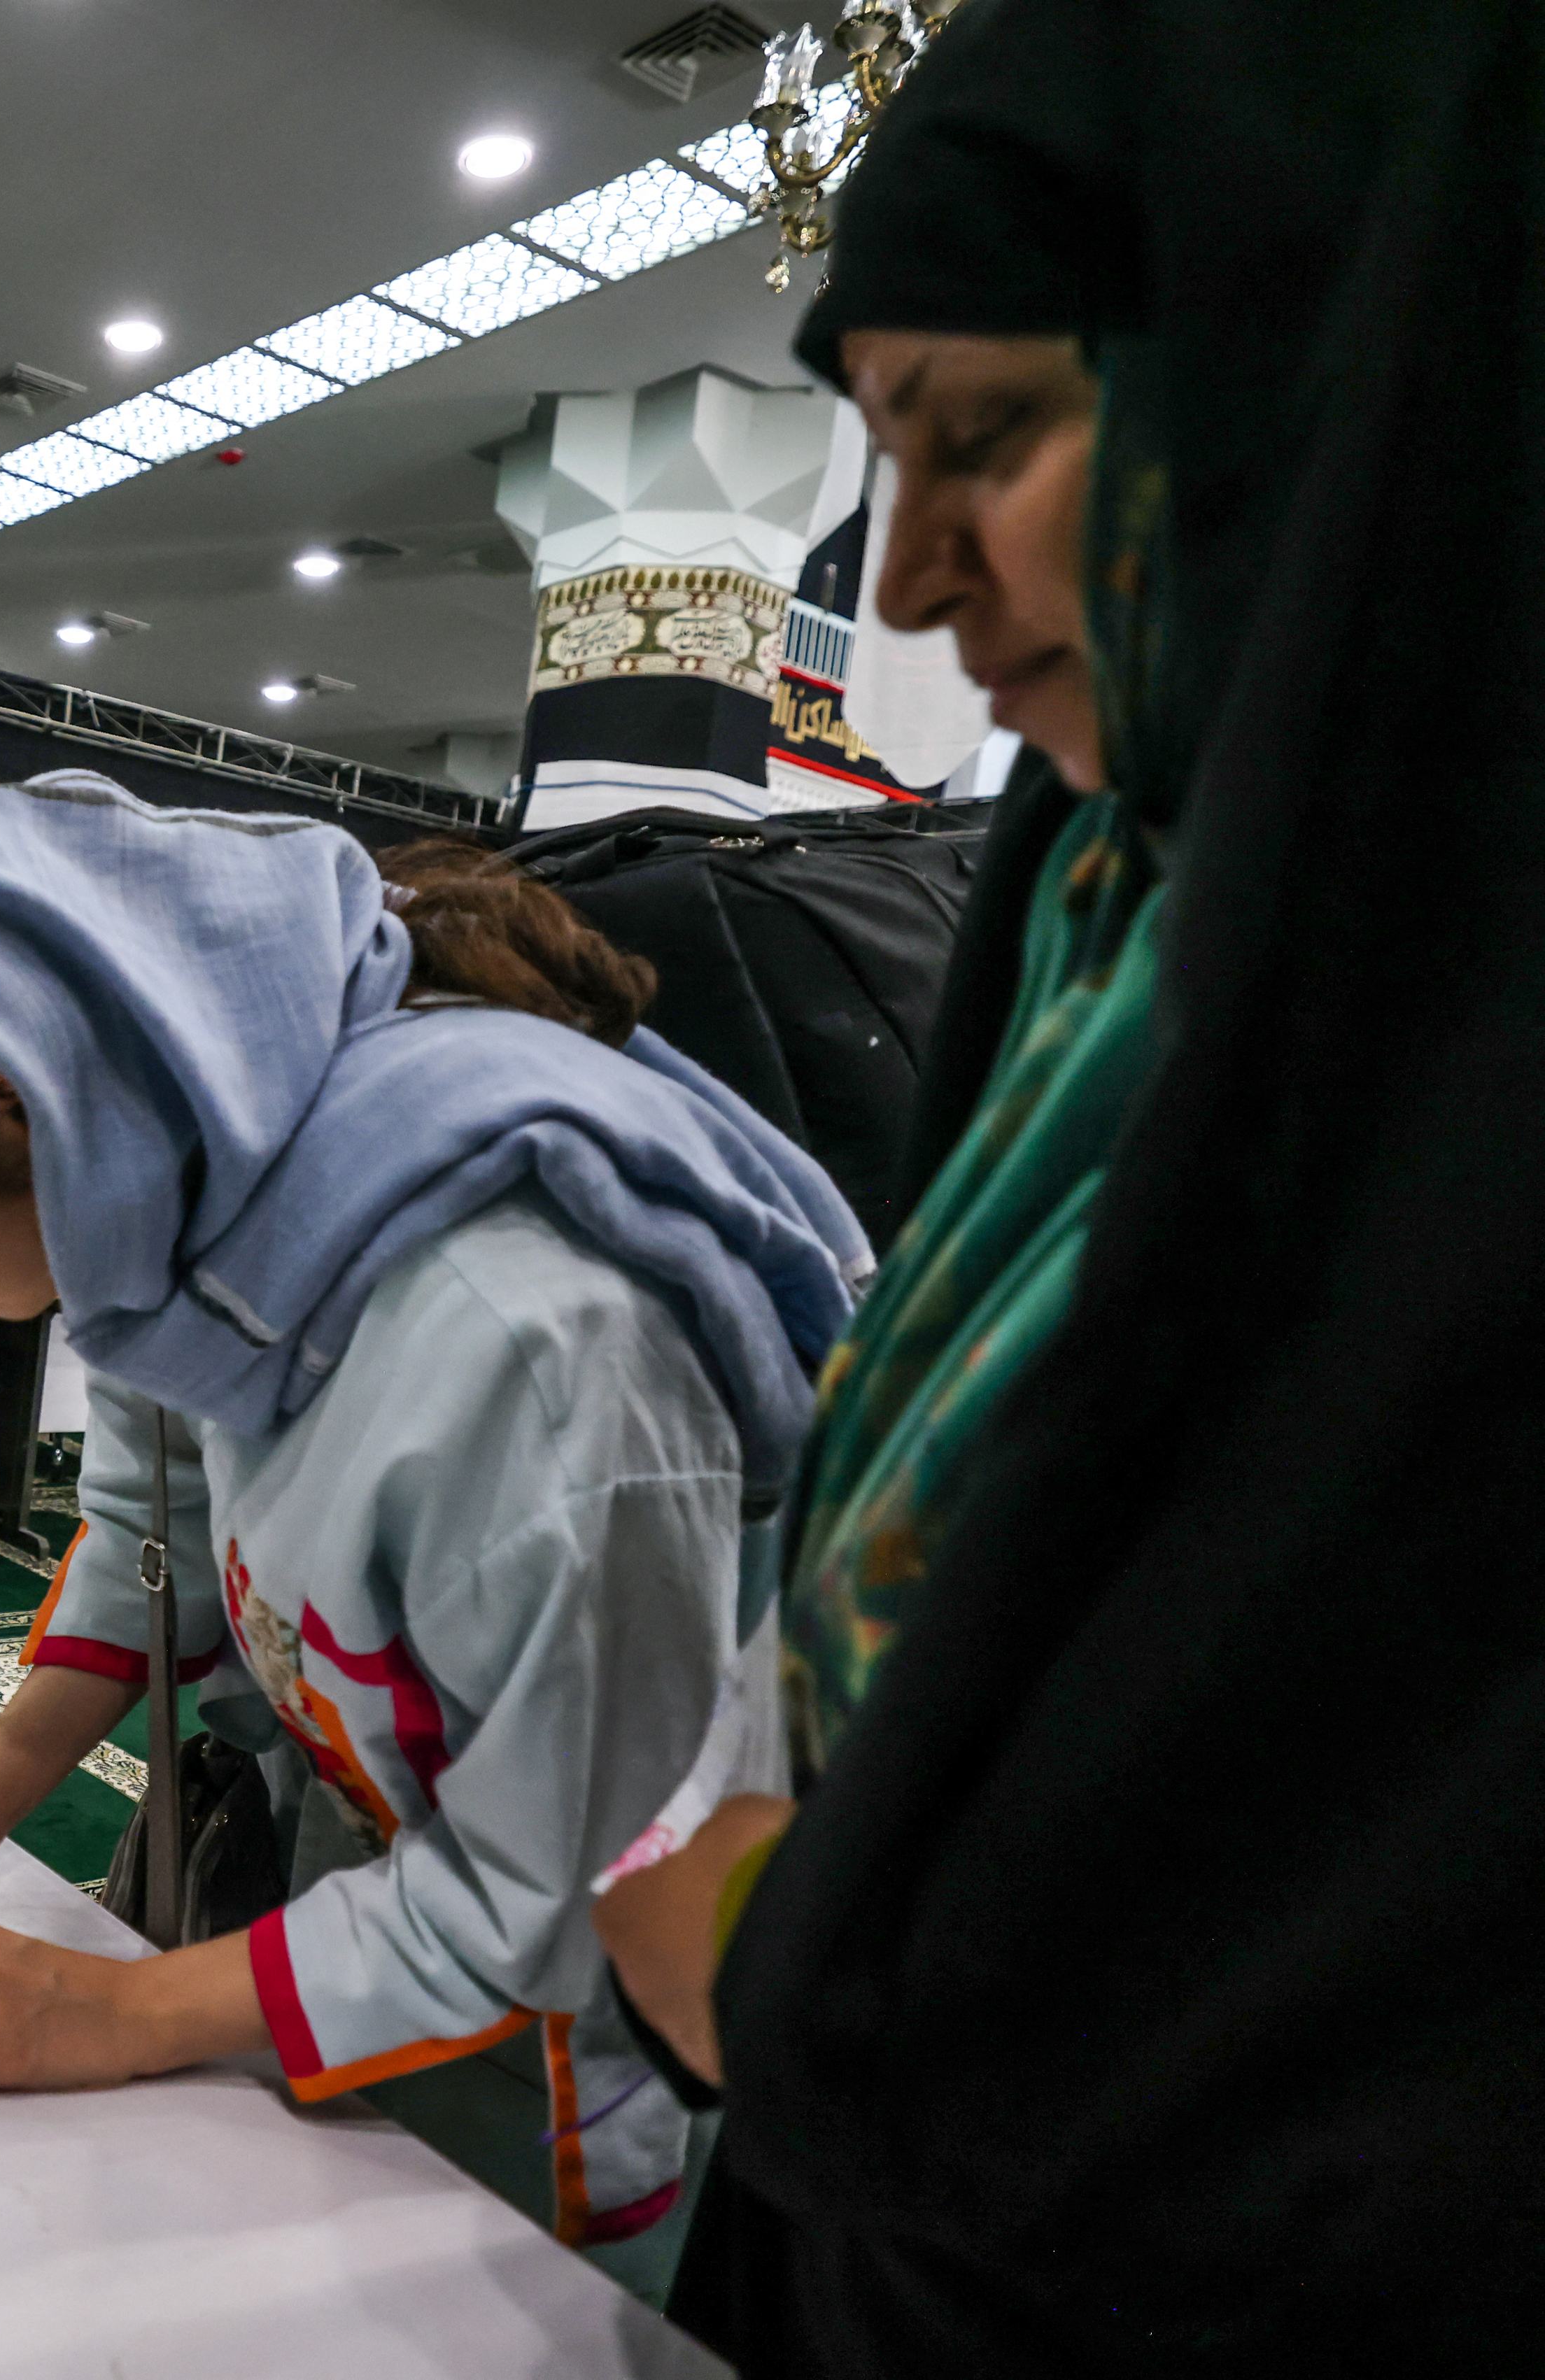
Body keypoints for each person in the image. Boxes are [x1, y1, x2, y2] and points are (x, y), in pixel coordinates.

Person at [596, 0, 1545, 2365]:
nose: (903, 586)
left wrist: (787, 1958)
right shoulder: (1100, 882)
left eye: (988, 438)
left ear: (1312, 383)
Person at [0, 771, 869, 2251]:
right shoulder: (175, 1186)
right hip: (361, 1949)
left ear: (13, 1098)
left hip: (580, 2096)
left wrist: (116, 2006)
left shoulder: (531, 1344)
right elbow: (151, 1535)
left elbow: (561, 1882)